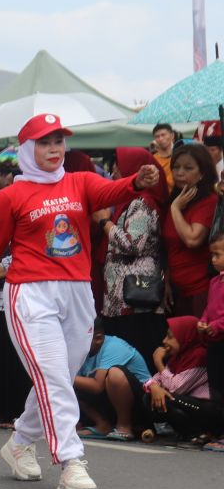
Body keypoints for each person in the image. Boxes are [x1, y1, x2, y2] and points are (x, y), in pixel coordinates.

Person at [0, 113, 161, 489]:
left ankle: (18, 444)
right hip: (31, 294)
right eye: (44, 143)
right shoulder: (9, 198)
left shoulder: (80, 182)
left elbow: (111, 192)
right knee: (51, 378)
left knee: (58, 380)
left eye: (58, 142)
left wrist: (134, 182)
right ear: (27, 149)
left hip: (77, 292)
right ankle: (71, 461)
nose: (53, 150)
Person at [95, 148, 168, 371]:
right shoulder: (129, 200)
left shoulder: (141, 203)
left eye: (118, 166)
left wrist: (104, 222)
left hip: (134, 300)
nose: (113, 171)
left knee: (135, 356)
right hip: (123, 300)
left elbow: (132, 244)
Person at [145, 316, 221, 446]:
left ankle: (195, 434)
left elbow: (176, 388)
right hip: (187, 404)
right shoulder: (177, 357)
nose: (164, 341)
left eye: (170, 337)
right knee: (149, 397)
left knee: (167, 399)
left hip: (207, 410)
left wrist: (158, 362)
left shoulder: (200, 355)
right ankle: (186, 434)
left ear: (186, 337)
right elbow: (153, 380)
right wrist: (154, 387)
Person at [74, 318, 152, 441]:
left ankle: (124, 426)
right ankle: (102, 425)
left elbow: (97, 386)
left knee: (115, 374)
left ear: (98, 338)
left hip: (141, 404)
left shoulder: (114, 346)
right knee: (69, 383)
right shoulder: (83, 352)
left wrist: (64, 376)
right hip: (111, 403)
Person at [163, 144, 218, 315]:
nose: (180, 173)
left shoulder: (209, 201)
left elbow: (192, 239)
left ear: (202, 173)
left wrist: (175, 209)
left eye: (188, 168)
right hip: (177, 291)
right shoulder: (176, 200)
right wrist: (166, 282)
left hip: (201, 290)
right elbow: (169, 247)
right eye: (176, 167)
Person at [200, 231, 224, 407]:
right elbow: (210, 308)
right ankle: (215, 425)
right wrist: (203, 321)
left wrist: (216, 325)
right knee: (214, 382)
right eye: (212, 255)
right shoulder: (214, 281)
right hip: (214, 341)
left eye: (217, 255)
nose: (213, 259)